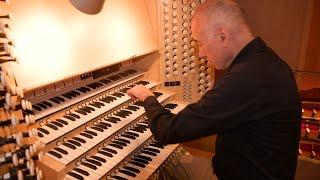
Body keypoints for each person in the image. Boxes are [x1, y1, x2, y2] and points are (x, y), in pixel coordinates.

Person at [127, 0, 301, 179]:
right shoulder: (267, 61)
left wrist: (148, 97)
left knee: (161, 167)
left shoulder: (243, 80)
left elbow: (167, 131)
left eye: (200, 43)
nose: (201, 53)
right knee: (170, 159)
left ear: (222, 35)